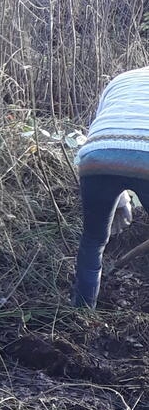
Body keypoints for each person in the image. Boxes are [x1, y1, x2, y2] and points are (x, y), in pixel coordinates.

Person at [72, 65, 149, 307]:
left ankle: (82, 315)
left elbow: (108, 135)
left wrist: (122, 196)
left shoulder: (122, 79)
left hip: (96, 155)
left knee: (93, 240)